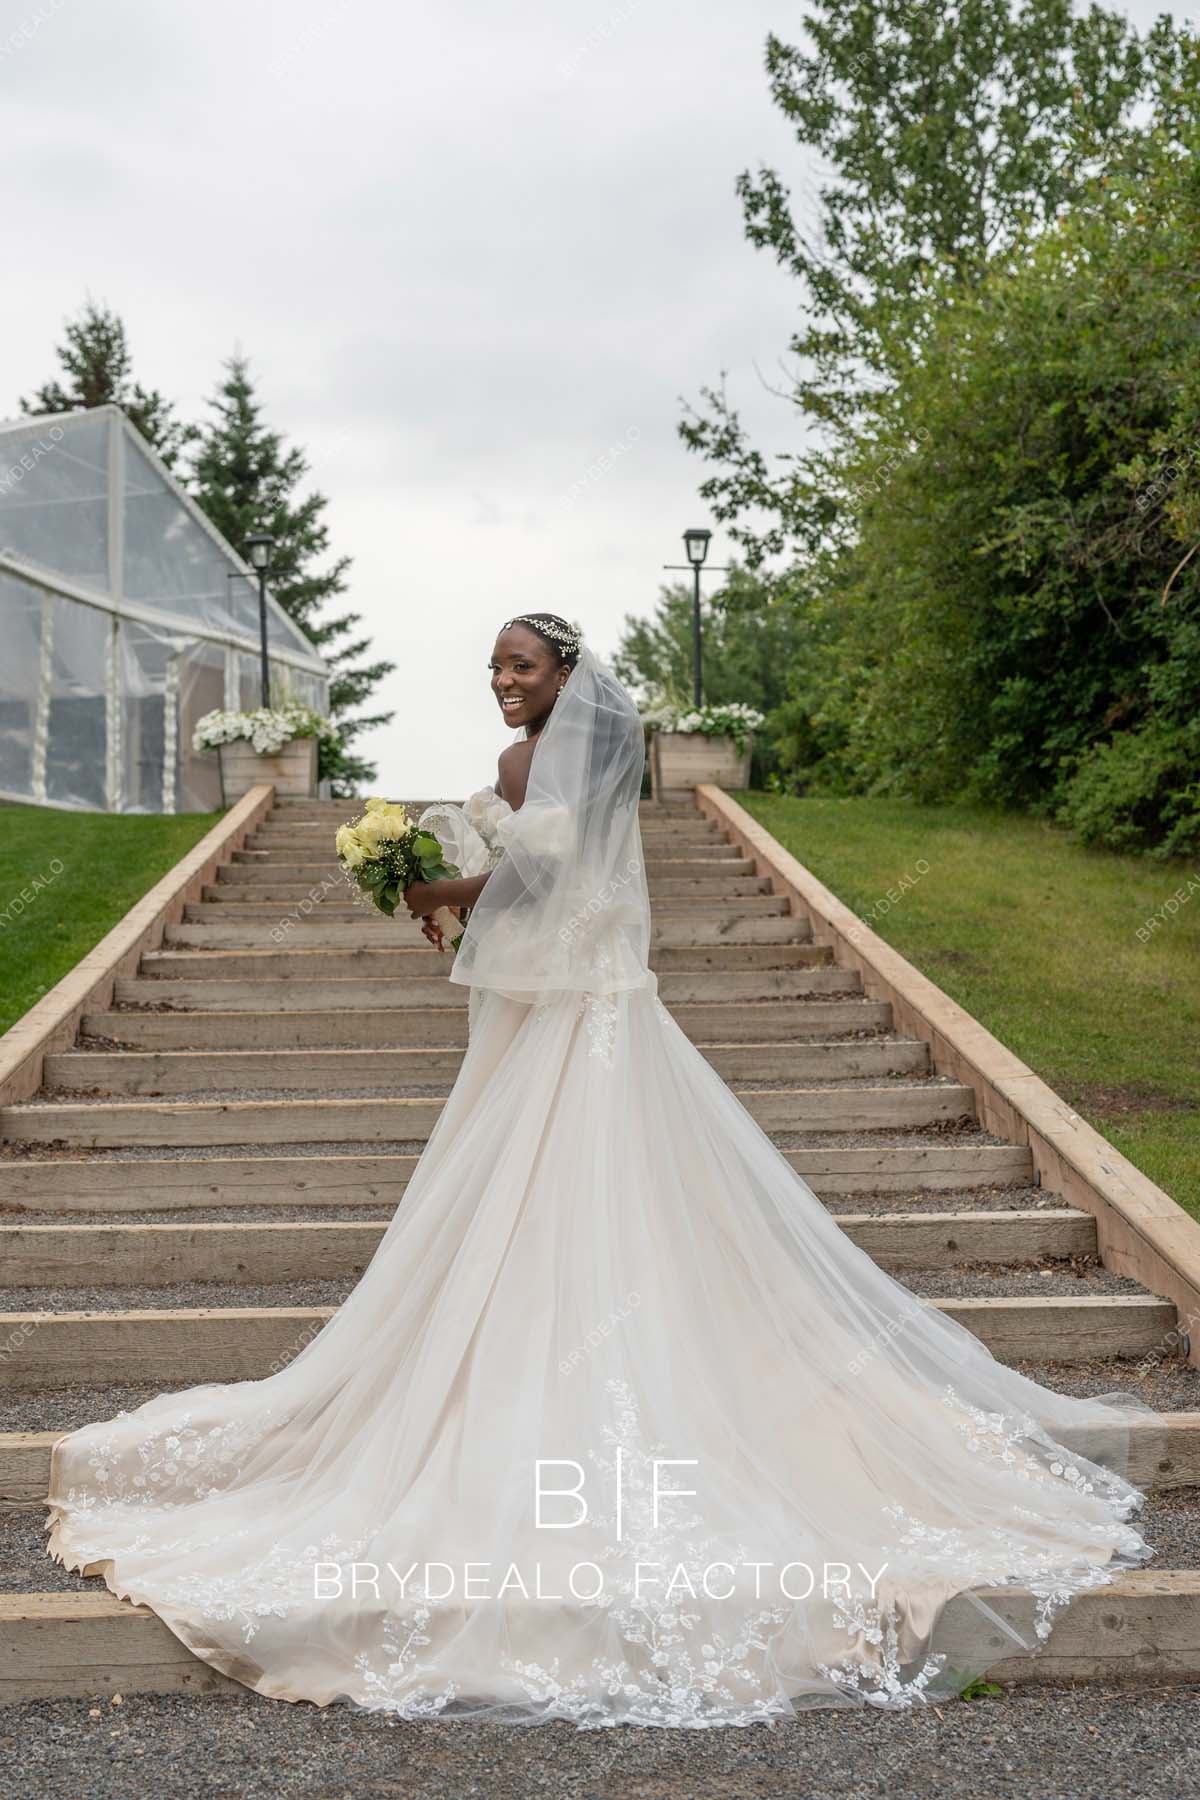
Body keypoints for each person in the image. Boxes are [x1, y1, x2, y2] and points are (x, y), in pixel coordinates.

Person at [44, 614, 1161, 1727]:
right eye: (491, 666)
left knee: (551, 1200)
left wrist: (431, 897)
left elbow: (532, 880)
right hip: (600, 1017)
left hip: (572, 1027)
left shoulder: (535, 762)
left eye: (520, 665)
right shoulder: (577, 763)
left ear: (565, 675)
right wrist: (448, 894)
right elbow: (560, 886)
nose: (502, 682)